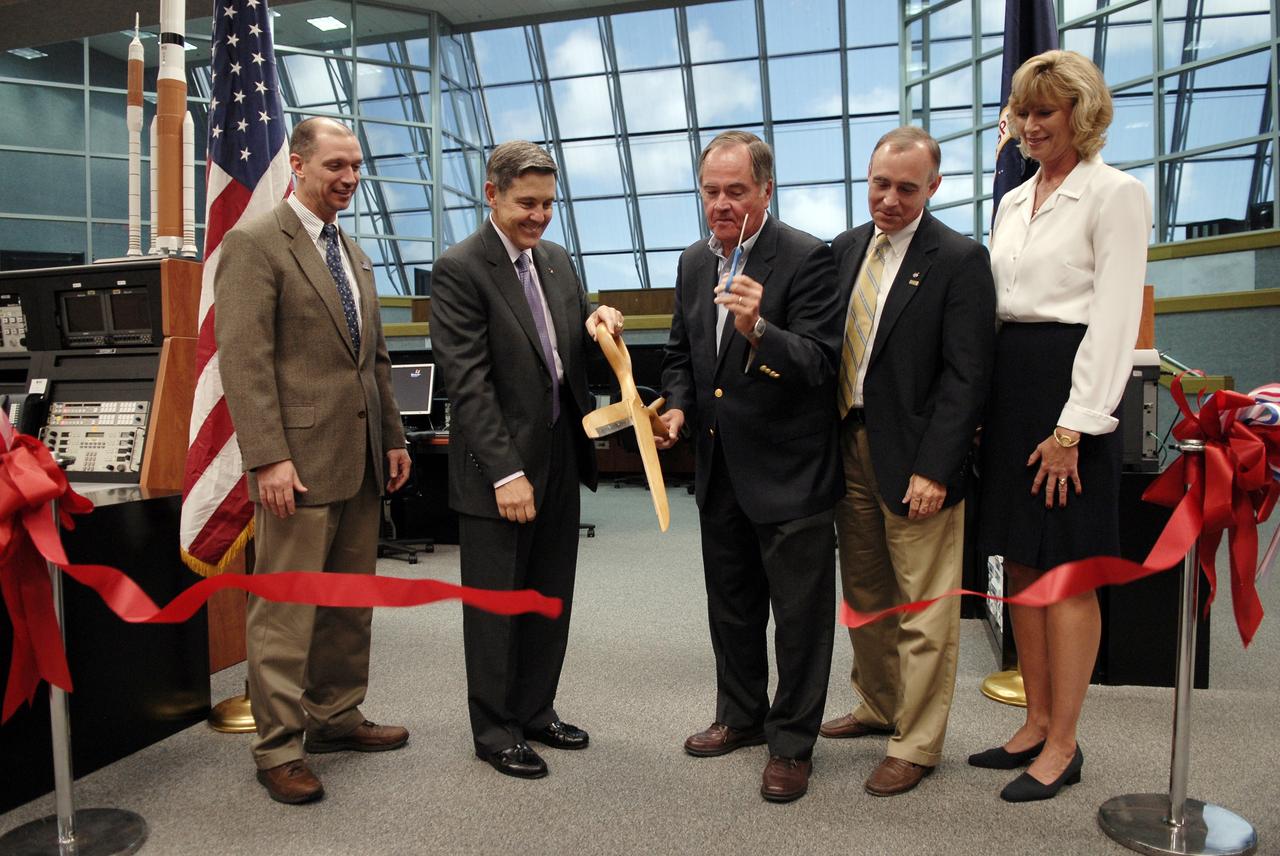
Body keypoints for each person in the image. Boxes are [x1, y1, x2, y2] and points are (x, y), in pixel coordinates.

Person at [970, 49, 1152, 802]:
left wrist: (1075, 427)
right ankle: (1035, 720)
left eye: (1047, 110)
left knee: (1067, 573)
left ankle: (1067, 743)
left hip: (1072, 391)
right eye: (1023, 109)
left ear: (1082, 113)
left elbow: (1112, 319)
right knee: (1018, 565)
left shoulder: (1117, 193)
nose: (1031, 123)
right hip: (1010, 387)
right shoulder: (1014, 200)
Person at [216, 117, 413, 805]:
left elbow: (375, 359)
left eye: (356, 166)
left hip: (358, 459)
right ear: (298, 165)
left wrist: (392, 437)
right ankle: (276, 747)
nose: (350, 178)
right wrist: (267, 457)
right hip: (293, 467)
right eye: (336, 166)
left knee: (347, 604)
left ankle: (336, 716)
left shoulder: (353, 251)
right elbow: (243, 362)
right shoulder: (254, 243)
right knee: (287, 613)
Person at [658, 130, 844, 804]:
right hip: (720, 470)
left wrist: (760, 331)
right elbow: (681, 358)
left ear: (766, 189)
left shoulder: (807, 259)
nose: (721, 203)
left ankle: (792, 745)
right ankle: (739, 714)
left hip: (790, 474)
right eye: (711, 191)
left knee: (798, 619)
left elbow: (821, 365)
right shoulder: (690, 262)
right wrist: (676, 409)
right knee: (732, 609)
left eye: (736, 190)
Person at [430, 141, 623, 780]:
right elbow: (468, 383)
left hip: (562, 456)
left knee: (548, 596)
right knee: (496, 607)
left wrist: (598, 320)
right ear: (492, 195)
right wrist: (506, 473)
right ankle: (494, 731)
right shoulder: (460, 269)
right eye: (525, 204)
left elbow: (566, 355)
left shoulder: (559, 263)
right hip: (500, 470)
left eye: (547, 204)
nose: (539, 216)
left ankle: (536, 710)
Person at [820, 127, 996, 796]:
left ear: (934, 188)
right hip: (848, 444)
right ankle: (878, 704)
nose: (889, 200)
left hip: (918, 457)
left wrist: (938, 467)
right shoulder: (843, 251)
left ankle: (917, 742)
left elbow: (966, 376)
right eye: (880, 184)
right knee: (866, 595)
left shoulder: (958, 258)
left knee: (924, 605)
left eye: (906, 188)